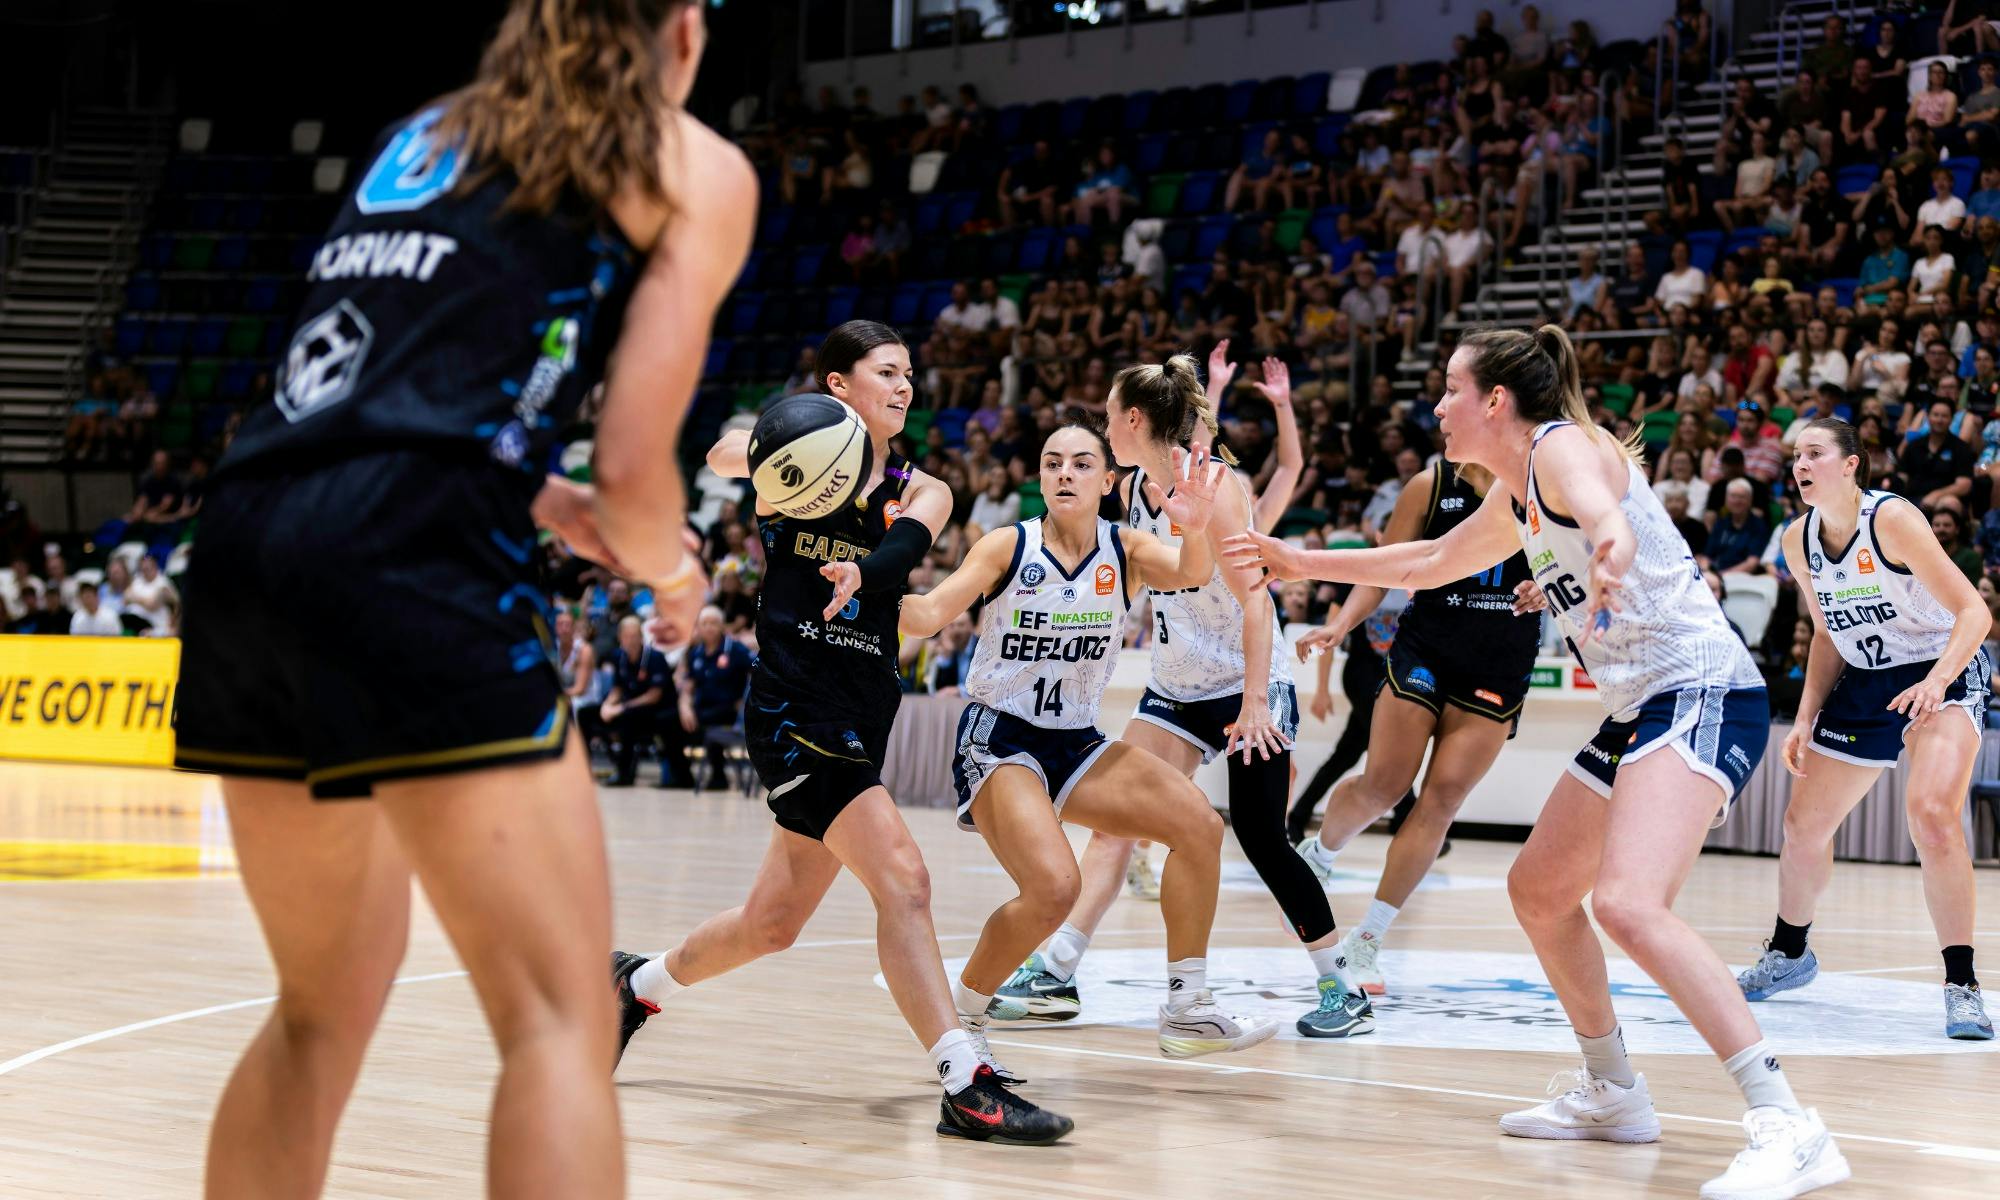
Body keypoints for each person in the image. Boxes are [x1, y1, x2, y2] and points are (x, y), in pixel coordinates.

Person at [169, 3, 751, 1195]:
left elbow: (372, 393)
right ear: (682, 32)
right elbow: (638, 472)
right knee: (555, 1021)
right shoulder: (686, 158)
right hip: (409, 552)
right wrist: (680, 574)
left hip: (247, 533)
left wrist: (536, 493)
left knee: (314, 1016)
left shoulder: (420, 135)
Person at [1224, 325, 1849, 1199]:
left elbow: (1598, 506)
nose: (1438, 405)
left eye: (1451, 389)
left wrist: (1610, 542)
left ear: (1496, 403)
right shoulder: (1514, 492)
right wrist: (1304, 561)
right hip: (1641, 707)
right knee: (1541, 891)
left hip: (1703, 690)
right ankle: (1615, 1092)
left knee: (1629, 905)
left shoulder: (1562, 450)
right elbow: (1436, 560)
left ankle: (1788, 1122)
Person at [611, 321, 1073, 1145]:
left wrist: (869, 570)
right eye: (885, 372)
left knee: (771, 925)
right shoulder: (791, 461)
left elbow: (906, 546)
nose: (904, 386)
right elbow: (720, 457)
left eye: (908, 374)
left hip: (864, 713)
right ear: (838, 386)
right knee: (906, 878)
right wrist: (765, 448)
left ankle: (636, 984)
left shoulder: (924, 485)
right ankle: (964, 1081)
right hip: (794, 709)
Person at [992, 357, 1371, 1039]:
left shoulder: (1218, 489)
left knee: (1261, 836)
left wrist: (1256, 700)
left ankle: (1343, 986)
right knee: (1116, 824)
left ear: (1134, 421)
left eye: (1109, 415)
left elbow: (1257, 600)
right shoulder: (1137, 485)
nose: (1103, 427)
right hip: (1174, 687)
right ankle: (1056, 971)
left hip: (1245, 681)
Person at [906, 418, 1293, 1062]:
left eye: (1083, 463)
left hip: (1076, 742)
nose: (1066, 473)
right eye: (1053, 462)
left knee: (1199, 827)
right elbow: (925, 615)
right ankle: (964, 1017)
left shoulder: (1127, 550)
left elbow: (1192, 574)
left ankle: (1189, 1007)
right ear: (1039, 478)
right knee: (1055, 889)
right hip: (1000, 739)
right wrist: (870, 589)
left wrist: (1193, 522)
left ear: (1108, 481)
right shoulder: (1007, 546)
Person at [1738, 420, 1994, 1042]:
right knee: (1803, 825)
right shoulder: (1795, 540)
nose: (1800, 463)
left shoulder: (1893, 520)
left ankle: (1961, 984)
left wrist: (1937, 681)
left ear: (1852, 465)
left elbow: (1975, 612)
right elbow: (1828, 632)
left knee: (1931, 817)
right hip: (1868, 677)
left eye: (1815, 453)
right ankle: (1790, 951)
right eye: (1796, 455)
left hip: (1941, 667)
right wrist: (1804, 716)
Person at [1288, 454, 1547, 995]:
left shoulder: (1544, 482)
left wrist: (1554, 584)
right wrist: (1340, 624)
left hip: (1500, 662)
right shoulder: (1429, 486)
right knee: (1385, 785)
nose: (1440, 412)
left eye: (1454, 395)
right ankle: (1322, 853)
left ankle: (1368, 940)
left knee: (1443, 800)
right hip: (1426, 650)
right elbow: (1383, 566)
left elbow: (1581, 560)